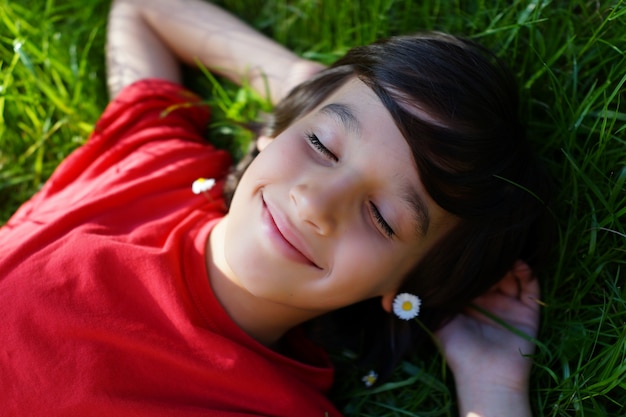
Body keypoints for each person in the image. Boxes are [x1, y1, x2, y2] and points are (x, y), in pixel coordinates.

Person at [0, 0, 550, 416]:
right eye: (322, 145)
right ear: (275, 130)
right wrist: (297, 80)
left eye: (382, 217)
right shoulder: (151, 168)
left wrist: (491, 388)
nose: (314, 201)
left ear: (406, 286)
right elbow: (144, 10)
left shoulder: (277, 407)